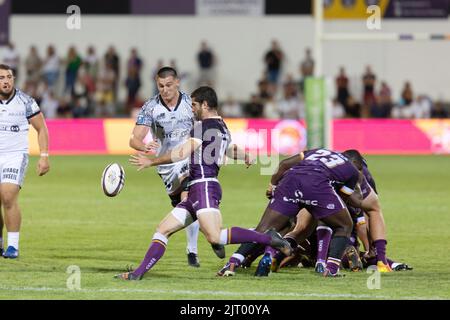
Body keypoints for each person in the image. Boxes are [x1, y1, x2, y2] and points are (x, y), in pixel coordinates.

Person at [116, 86, 292, 280]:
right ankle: (137, 274)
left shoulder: (201, 127)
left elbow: (181, 153)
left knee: (215, 237)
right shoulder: (222, 126)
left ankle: (268, 238)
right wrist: (245, 156)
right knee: (163, 229)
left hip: (204, 186)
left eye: (194, 104)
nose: (192, 109)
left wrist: (152, 161)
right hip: (196, 189)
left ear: (205, 105)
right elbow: (228, 149)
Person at [128, 67, 221, 268]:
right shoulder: (150, 107)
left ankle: (193, 250)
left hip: (188, 159)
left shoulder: (190, 104)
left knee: (189, 196)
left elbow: (206, 125)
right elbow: (134, 138)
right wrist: (144, 146)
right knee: (185, 206)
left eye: (169, 85)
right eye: (160, 86)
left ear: (177, 82)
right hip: (166, 165)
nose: (165, 90)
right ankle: (213, 235)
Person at [219, 148, 363, 277]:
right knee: (344, 225)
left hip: (291, 180)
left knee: (263, 229)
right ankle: (331, 269)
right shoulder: (352, 171)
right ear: (355, 163)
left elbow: (284, 164)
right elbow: (342, 199)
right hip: (317, 185)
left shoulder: (318, 151)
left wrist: (272, 186)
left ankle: (233, 262)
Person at [0, 64, 50, 258]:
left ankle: (13, 246)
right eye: (2, 78)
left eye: (9, 77)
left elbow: (42, 128)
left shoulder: (25, 101)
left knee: (7, 196)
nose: (6, 81)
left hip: (15, 155)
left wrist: (44, 156)